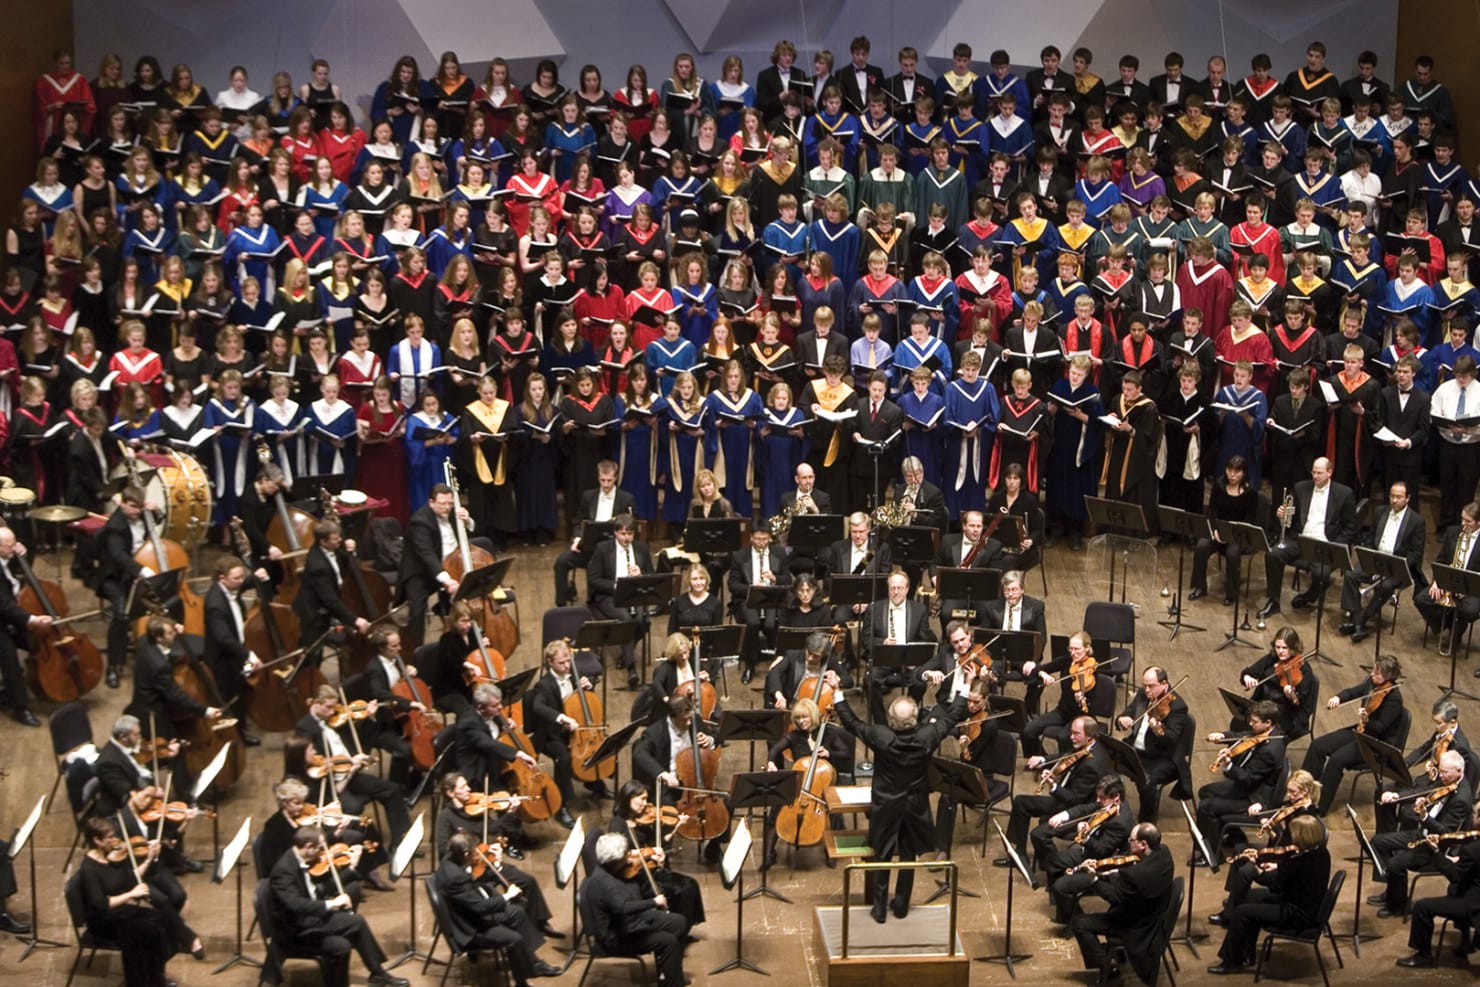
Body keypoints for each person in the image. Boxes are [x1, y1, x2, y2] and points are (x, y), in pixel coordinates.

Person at [825, 661, 973, 921]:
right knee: (908, 855)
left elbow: (851, 722)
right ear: (915, 718)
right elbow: (951, 716)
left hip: (886, 804)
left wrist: (837, 691)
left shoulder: (881, 737)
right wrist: (966, 686)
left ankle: (880, 908)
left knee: (881, 854)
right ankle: (902, 904)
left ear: (892, 719)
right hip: (914, 804)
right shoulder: (927, 737)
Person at [267, 826, 410, 987]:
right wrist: (332, 903)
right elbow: (296, 904)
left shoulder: (300, 859)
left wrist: (351, 868)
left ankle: (375, 974)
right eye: (320, 848)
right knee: (356, 922)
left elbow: (318, 891)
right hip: (295, 929)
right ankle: (378, 973)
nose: (323, 853)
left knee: (340, 946)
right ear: (308, 847)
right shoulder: (284, 870)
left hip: (308, 919)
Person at [75, 816, 197, 987]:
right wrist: (131, 894)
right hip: (103, 921)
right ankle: (140, 981)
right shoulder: (89, 869)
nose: (115, 840)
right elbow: (101, 904)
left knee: (164, 919)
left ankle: (154, 976)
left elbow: (131, 877)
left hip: (118, 913)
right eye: (109, 837)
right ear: (97, 840)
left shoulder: (108, 858)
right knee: (148, 931)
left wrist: (148, 859)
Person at [1206, 814, 1330, 975]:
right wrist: (1278, 868)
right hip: (1303, 902)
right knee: (1251, 896)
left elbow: (1277, 886)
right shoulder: (1320, 853)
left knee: (1243, 912)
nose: (1291, 836)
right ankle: (1246, 954)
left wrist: (1257, 871)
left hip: (1297, 913)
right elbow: (1292, 878)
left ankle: (1232, 962)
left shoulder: (1300, 862)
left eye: (1293, 833)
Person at [435, 833, 561, 986]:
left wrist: (496, 868)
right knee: (515, 938)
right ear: (466, 854)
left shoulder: (448, 859)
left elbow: (470, 893)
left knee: (518, 912)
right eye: (474, 853)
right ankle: (522, 981)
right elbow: (479, 908)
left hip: (467, 913)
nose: (476, 856)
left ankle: (532, 961)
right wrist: (506, 896)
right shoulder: (455, 877)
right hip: (470, 929)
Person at [297, 685, 412, 849]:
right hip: (330, 783)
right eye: (328, 707)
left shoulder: (337, 720)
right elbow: (315, 761)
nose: (332, 712)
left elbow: (361, 742)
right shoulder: (305, 727)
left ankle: (402, 843)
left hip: (351, 775)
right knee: (353, 806)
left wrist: (370, 718)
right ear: (316, 703)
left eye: (334, 707)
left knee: (392, 790)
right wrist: (348, 764)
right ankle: (362, 848)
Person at [1067, 822, 1175, 986]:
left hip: (1137, 926)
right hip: (1153, 912)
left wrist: (1095, 878)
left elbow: (1114, 897)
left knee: (1079, 923)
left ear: (1143, 844)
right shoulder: (1164, 853)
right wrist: (1114, 873)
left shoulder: (1136, 875)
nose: (1128, 842)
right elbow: (1134, 880)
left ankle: (1107, 970)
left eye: (1131, 840)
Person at [1369, 750, 1473, 919]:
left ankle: (1398, 905)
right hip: (1421, 834)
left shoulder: (1461, 798)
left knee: (1396, 863)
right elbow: (1424, 791)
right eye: (1441, 770)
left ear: (1459, 772)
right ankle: (1394, 889)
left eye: (1445, 772)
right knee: (1377, 842)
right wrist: (1398, 796)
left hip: (1434, 846)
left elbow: (1446, 833)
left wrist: (1424, 817)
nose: (1441, 775)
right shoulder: (1446, 779)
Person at [1301, 655, 1405, 816]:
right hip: (1361, 731)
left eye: (1377, 673)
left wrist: (1367, 719)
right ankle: (1303, 790)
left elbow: (1380, 728)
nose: (1372, 674)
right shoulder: (1371, 684)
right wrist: (1339, 697)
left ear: (1388, 677)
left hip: (1375, 744)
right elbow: (1353, 692)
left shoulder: (1394, 700)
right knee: (1318, 746)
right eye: (1373, 670)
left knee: (1336, 760)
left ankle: (1319, 807)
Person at [584, 831, 691, 987]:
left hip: (628, 921)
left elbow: (633, 892)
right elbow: (624, 907)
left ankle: (668, 971)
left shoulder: (612, 870)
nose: (629, 858)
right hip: (617, 936)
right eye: (625, 857)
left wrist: (653, 866)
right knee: (669, 942)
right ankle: (673, 983)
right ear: (614, 861)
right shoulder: (604, 883)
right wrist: (654, 902)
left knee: (679, 922)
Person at [1258, 457, 1357, 620]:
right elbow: (1289, 522)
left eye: (1319, 473)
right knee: (1273, 554)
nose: (1315, 476)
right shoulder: (1301, 488)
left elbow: (1350, 528)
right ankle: (1273, 601)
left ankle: (1310, 596)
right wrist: (1282, 516)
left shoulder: (1344, 493)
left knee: (1321, 574)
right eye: (1313, 472)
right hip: (1301, 540)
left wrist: (1334, 547)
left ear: (1330, 472)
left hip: (1325, 544)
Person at [1002, 714, 1109, 865]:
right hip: (1066, 797)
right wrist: (1044, 759)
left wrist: (1053, 786)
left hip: (1076, 809)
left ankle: (1052, 864)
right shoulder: (1086, 746)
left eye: (1076, 734)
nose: (1071, 737)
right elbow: (1067, 755)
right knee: (1021, 802)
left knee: (1027, 812)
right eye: (1071, 732)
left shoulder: (1092, 765)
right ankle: (1019, 854)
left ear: (1090, 737)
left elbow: (1075, 800)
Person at [632, 695, 729, 862]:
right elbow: (639, 753)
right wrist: (663, 774)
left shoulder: (694, 720)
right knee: (667, 811)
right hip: (671, 784)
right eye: (685, 720)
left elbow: (716, 736)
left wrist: (710, 740)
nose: (690, 723)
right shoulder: (656, 731)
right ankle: (663, 854)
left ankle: (714, 848)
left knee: (728, 802)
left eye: (691, 718)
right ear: (672, 716)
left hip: (696, 781)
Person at [397, 483, 483, 649]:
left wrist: (467, 521)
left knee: (463, 602)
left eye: (450, 503)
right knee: (416, 611)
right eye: (443, 503)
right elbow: (426, 554)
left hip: (451, 566)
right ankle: (415, 651)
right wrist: (447, 580)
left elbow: (470, 530)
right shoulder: (419, 522)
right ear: (431, 502)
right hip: (421, 572)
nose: (447, 508)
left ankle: (467, 641)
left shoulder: (451, 512)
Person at [526, 638, 609, 811]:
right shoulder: (544, 685)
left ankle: (595, 784)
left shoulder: (573, 678)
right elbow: (538, 706)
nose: (566, 666)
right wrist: (562, 718)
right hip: (551, 734)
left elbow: (580, 704)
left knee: (597, 748)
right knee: (564, 758)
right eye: (561, 663)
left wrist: (586, 689)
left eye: (568, 661)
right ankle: (561, 805)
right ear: (550, 662)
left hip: (576, 733)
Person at [1338, 481, 1427, 641]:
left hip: (1398, 566)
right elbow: (1372, 537)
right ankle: (1355, 618)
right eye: (1392, 496)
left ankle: (1363, 619)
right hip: (1376, 560)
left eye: (1399, 497)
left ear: (1407, 498)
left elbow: (1416, 553)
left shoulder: (1416, 521)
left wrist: (1400, 566)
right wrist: (1367, 551)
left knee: (1386, 585)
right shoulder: (1380, 511)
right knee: (1351, 575)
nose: (1394, 500)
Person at [1396, 801, 1480, 968]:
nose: (1472, 816)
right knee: (1455, 889)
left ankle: (1424, 956)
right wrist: (1455, 859)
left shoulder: (1472, 849)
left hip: (1474, 903)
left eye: (1474, 813)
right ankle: (1465, 944)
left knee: (1422, 907)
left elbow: (1455, 875)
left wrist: (1436, 852)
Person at [1197, 700, 1285, 858]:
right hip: (1249, 786)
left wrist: (1229, 766)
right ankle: (1232, 836)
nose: (1251, 724)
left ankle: (1211, 855)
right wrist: (1223, 736)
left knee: (1205, 807)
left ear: (1268, 722)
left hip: (1254, 797)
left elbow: (1247, 778)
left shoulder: (1270, 751)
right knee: (1205, 792)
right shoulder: (1269, 731)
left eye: (1254, 722)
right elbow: (1243, 736)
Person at [1040, 774, 1135, 920]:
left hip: (1101, 861)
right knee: (1052, 861)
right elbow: (1086, 809)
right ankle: (1064, 907)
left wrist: (1085, 836)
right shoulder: (1110, 804)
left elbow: (1102, 850)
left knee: (1060, 883)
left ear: (1116, 797)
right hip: (1092, 850)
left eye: (1102, 798)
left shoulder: (1120, 822)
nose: (1098, 801)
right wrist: (1064, 815)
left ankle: (1074, 916)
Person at [1115, 666, 1191, 823]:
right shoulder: (1143, 694)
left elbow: (1171, 739)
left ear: (1164, 684)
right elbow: (1127, 713)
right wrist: (1122, 719)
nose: (1146, 690)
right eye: (1145, 685)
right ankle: (1111, 808)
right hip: (1137, 750)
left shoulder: (1177, 706)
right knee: (1105, 756)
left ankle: (1146, 823)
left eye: (1151, 686)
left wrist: (1158, 729)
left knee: (1147, 783)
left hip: (1162, 757)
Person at [200, 555, 263, 746]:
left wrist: (256, 576)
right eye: (237, 578)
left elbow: (243, 583)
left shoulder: (231, 586)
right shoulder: (215, 605)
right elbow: (224, 639)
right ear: (222, 578)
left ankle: (240, 732)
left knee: (240, 695)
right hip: (224, 661)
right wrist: (249, 655)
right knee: (231, 700)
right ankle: (234, 740)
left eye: (242, 576)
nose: (241, 581)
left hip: (236, 653)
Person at [553, 460, 634, 607]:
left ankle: (596, 602)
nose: (606, 484)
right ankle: (561, 604)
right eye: (602, 480)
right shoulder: (588, 496)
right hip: (589, 547)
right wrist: (577, 538)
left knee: (594, 569)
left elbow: (632, 525)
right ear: (598, 477)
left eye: (609, 480)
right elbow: (579, 520)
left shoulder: (627, 499)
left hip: (611, 550)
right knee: (561, 562)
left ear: (615, 478)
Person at [587, 515, 653, 688]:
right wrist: (616, 585)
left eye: (630, 534)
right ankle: (631, 669)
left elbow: (652, 574)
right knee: (626, 620)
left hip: (635, 594)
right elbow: (593, 579)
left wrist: (642, 574)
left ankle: (625, 654)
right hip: (610, 595)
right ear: (615, 532)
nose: (626, 538)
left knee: (643, 621)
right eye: (623, 534)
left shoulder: (641, 548)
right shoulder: (602, 549)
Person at [863, 570, 936, 723]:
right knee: (870, 680)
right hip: (884, 659)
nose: (896, 592)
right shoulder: (874, 609)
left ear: (907, 589)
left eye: (900, 588)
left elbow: (927, 639)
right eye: (892, 588)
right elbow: (866, 639)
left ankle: (907, 713)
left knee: (920, 682)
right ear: (888, 588)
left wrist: (915, 655)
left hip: (908, 661)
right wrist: (882, 642)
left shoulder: (919, 610)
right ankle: (880, 721)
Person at [292, 519, 371, 654]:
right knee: (312, 653)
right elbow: (330, 600)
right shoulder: (318, 566)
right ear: (323, 542)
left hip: (328, 606)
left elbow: (346, 561)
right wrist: (354, 620)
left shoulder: (332, 548)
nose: (340, 540)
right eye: (336, 539)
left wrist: (351, 551)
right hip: (314, 614)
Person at [727, 523, 791, 681]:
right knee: (753, 623)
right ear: (750, 538)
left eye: (764, 539)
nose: (761, 542)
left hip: (772, 597)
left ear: (770, 537)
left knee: (771, 624)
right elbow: (733, 584)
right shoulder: (740, 556)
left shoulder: (779, 553)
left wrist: (774, 578)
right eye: (757, 539)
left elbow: (788, 579)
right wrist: (752, 588)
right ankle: (751, 663)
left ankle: (777, 660)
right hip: (748, 598)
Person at [1415, 500, 1480, 650]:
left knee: (1468, 611)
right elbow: (1441, 561)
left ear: (1478, 522)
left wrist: (1468, 588)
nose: (1463, 524)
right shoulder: (1452, 532)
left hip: (1472, 589)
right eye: (1462, 519)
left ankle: (1455, 634)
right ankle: (1446, 626)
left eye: (1468, 521)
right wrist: (1437, 581)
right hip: (1448, 583)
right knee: (1421, 600)